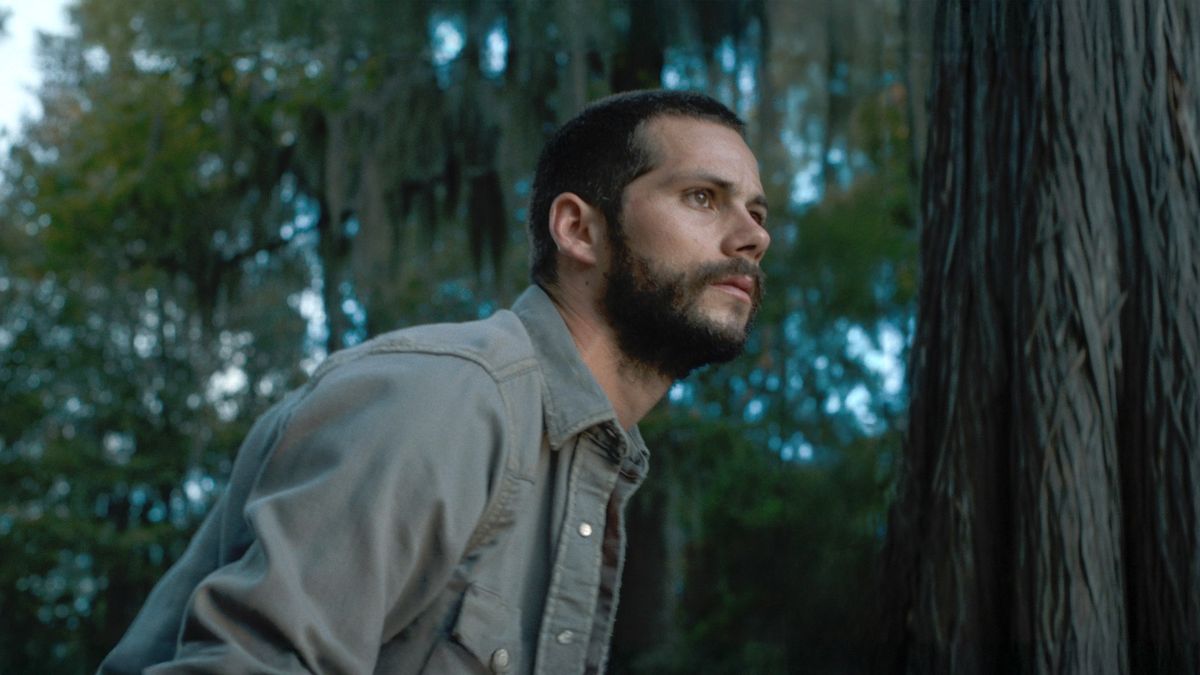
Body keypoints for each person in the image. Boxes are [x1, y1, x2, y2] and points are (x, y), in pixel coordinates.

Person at [99, 89, 769, 675]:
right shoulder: (446, 400)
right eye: (704, 198)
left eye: (758, 213)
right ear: (578, 230)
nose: (752, 237)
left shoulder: (588, 466)